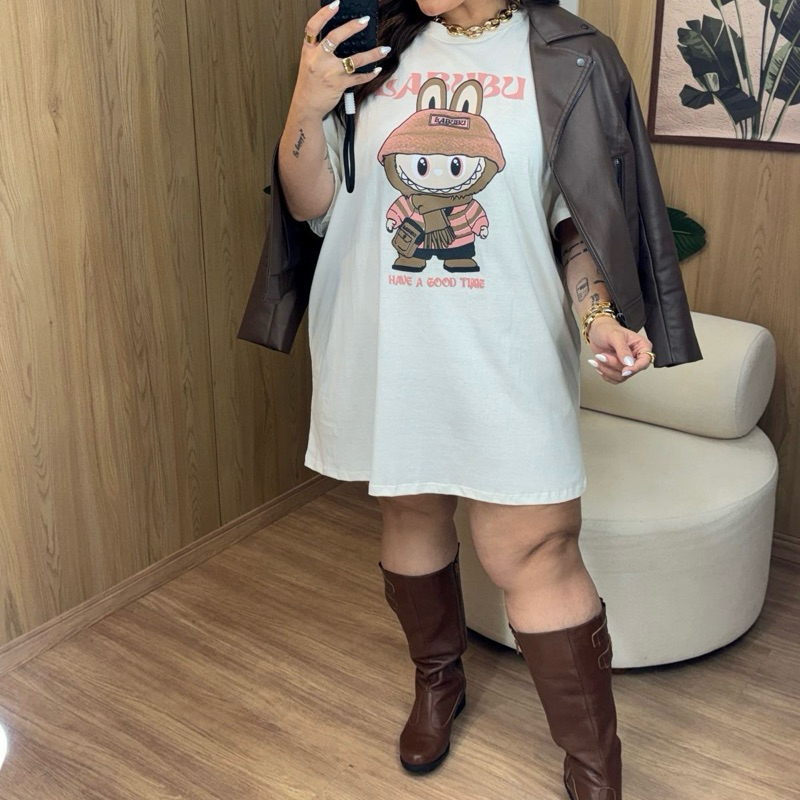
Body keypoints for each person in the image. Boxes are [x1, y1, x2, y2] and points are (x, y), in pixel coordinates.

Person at [271, 1, 702, 797]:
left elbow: (578, 219)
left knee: (536, 547)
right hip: (388, 345)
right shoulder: (372, 44)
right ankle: (438, 681)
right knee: (411, 513)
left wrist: (598, 315)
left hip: (508, 349)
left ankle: (594, 762)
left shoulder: (572, 54)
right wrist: (307, 97)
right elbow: (313, 204)